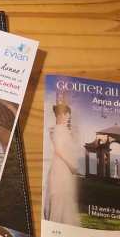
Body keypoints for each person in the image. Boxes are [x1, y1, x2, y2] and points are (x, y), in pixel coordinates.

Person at [43, 93, 79, 226]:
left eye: (68, 115)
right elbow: (58, 150)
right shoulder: (58, 130)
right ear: (60, 115)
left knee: (64, 197)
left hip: (63, 167)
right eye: (66, 115)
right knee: (59, 196)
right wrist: (71, 165)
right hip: (61, 167)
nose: (68, 117)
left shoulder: (63, 130)